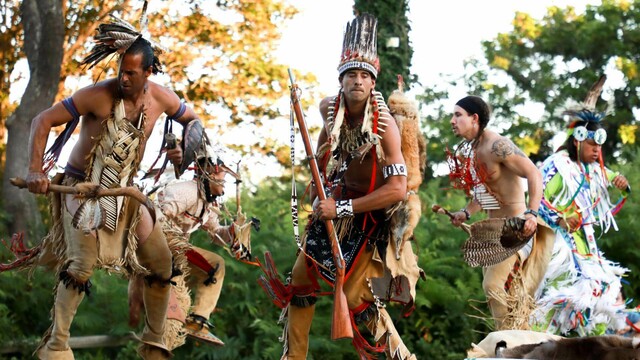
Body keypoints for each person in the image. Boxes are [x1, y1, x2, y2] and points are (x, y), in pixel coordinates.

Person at [24, 14, 200, 359]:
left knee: (161, 262)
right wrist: (35, 170)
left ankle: (154, 343)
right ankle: (57, 345)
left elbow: (192, 120)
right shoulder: (97, 96)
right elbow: (41, 120)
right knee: (81, 264)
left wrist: (183, 146)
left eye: (132, 72)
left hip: (126, 193)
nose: (123, 77)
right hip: (81, 187)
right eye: (121, 69)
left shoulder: (162, 99)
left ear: (148, 72)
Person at [276, 13, 422, 360]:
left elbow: (398, 189)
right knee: (300, 278)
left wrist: (341, 208)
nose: (357, 81)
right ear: (341, 80)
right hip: (335, 205)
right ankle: (293, 356)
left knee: (359, 300)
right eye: (351, 74)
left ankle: (399, 357)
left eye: (364, 75)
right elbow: (324, 156)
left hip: (369, 213)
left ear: (373, 83)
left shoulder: (386, 125)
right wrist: (319, 188)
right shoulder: (330, 110)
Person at [129, 144, 253, 350]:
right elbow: (156, 218)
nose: (225, 183)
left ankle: (198, 321)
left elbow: (215, 232)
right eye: (223, 177)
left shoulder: (208, 202)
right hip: (161, 250)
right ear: (210, 173)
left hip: (176, 250)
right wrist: (169, 250)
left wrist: (233, 232)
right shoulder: (185, 191)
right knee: (170, 316)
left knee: (216, 264)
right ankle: (160, 341)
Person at [531, 76, 630, 336]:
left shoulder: (591, 170)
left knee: (602, 294)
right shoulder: (557, 165)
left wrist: (620, 182)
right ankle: (535, 345)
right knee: (554, 302)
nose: (597, 149)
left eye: (600, 145)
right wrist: (560, 218)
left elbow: (610, 177)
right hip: (559, 249)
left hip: (587, 249)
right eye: (592, 144)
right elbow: (537, 199)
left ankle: (594, 349)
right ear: (577, 140)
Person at [447, 95, 555, 330]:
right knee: (508, 295)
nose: (452, 121)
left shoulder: (496, 145)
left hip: (514, 228)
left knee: (493, 287)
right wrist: (466, 213)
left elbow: (534, 174)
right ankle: (522, 344)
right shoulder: (471, 151)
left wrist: (532, 214)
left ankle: (509, 348)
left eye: (457, 115)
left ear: (474, 118)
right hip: (490, 231)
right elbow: (483, 192)